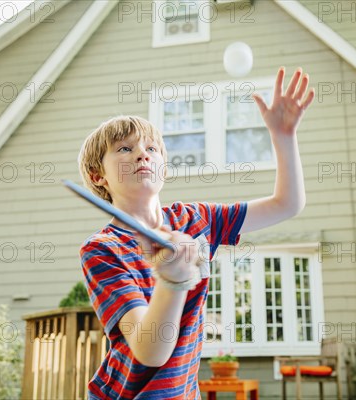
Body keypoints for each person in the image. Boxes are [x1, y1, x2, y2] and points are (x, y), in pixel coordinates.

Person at [78, 67, 315, 399]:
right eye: (124, 149)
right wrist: (173, 281)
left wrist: (284, 137)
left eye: (151, 148)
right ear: (97, 175)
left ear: (164, 166)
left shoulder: (196, 219)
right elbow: (150, 350)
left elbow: (286, 205)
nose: (142, 153)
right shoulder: (102, 249)